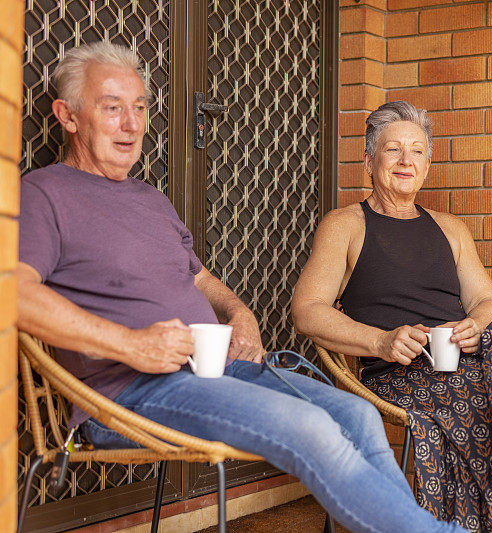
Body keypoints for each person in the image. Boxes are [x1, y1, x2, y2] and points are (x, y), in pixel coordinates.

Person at [16, 42, 466, 533]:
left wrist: (241, 313)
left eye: (140, 107)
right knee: (312, 427)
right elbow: (13, 293)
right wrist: (132, 344)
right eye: (112, 108)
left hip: (219, 370)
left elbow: (199, 276)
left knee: (359, 416)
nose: (132, 124)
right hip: (129, 389)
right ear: (68, 116)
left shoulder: (149, 199)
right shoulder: (43, 194)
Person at [292, 101, 492, 533]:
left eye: (416, 151)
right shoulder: (345, 225)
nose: (405, 160)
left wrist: (478, 326)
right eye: (392, 149)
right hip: (405, 372)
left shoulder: (450, 229)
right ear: (368, 161)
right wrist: (381, 341)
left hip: (469, 362)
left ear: (428, 164)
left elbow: (489, 302)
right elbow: (307, 312)